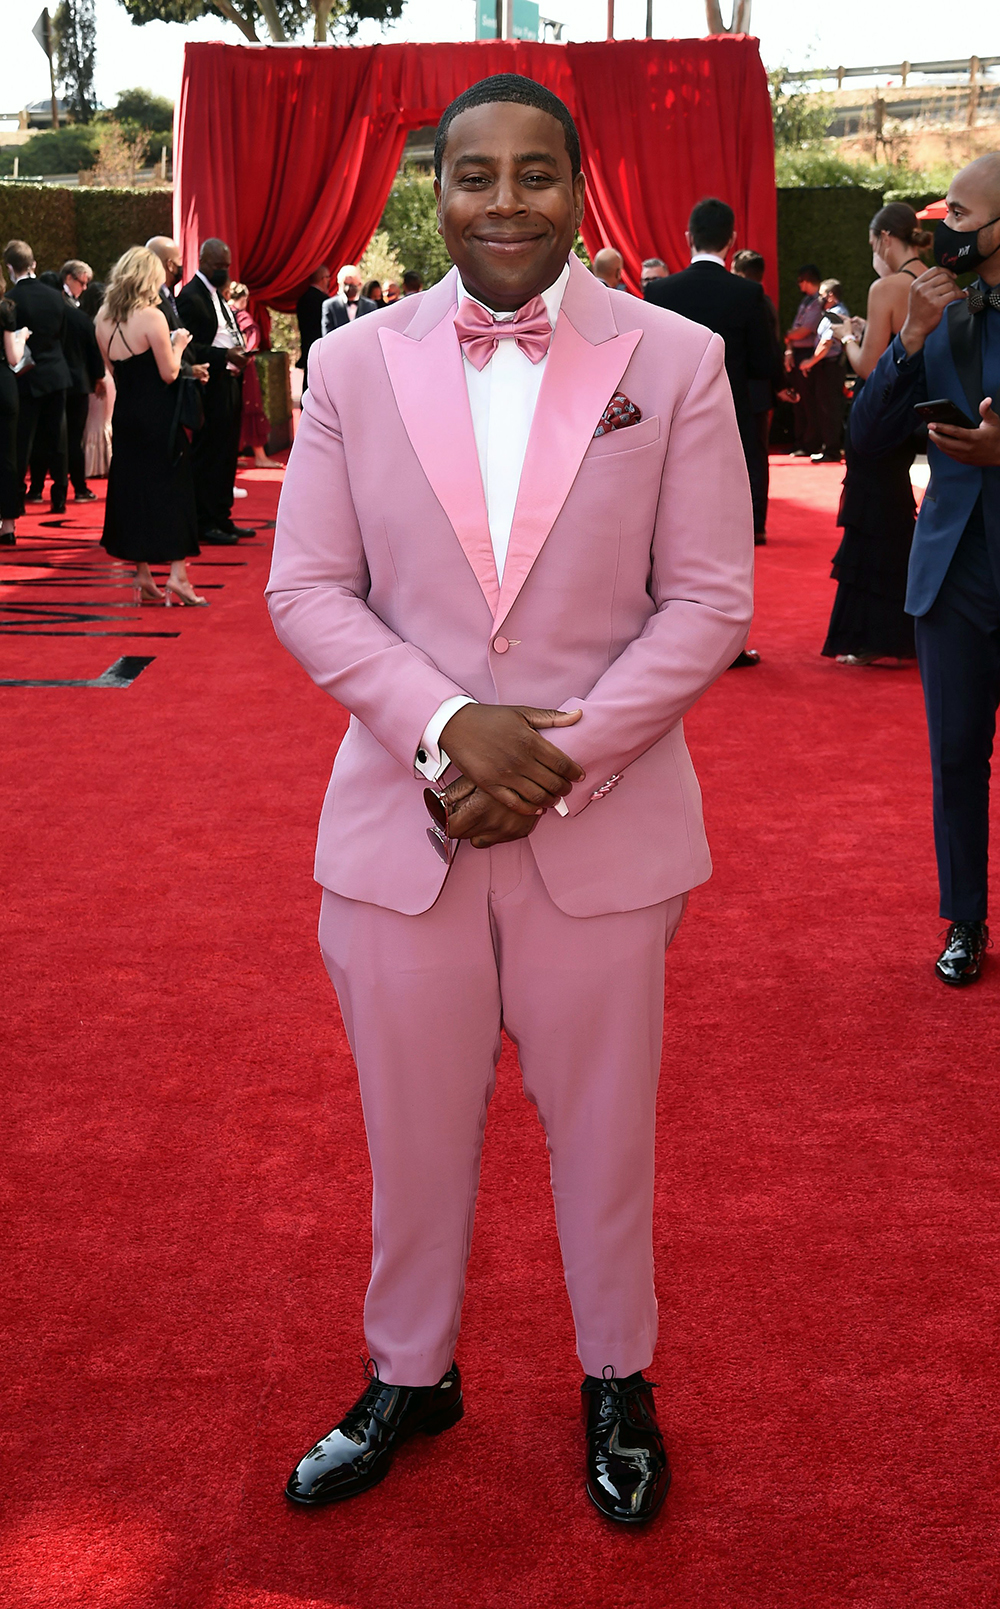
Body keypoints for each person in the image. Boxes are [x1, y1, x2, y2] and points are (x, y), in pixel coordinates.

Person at [268, 72, 753, 1524]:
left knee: (606, 1130)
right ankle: (410, 1372)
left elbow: (710, 598)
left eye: (534, 174)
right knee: (410, 1127)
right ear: (437, 189)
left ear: (578, 186)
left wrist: (552, 762)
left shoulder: (672, 360)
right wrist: (446, 730)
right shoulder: (354, 362)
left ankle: (618, 1377)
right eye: (473, 174)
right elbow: (307, 588)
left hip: (601, 831)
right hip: (398, 829)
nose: (502, 202)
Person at [850, 154, 1000, 988]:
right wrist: (909, 339)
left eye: (964, 218)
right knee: (955, 756)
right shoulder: (932, 309)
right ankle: (965, 919)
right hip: (951, 570)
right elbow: (867, 440)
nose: (944, 233)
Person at [646, 196, 777, 603]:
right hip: (731, 418)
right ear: (732, 241)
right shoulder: (749, 295)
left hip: (669, 420)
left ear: (688, 238)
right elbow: (765, 363)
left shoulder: (659, 291)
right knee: (724, 533)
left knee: (670, 526)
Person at [821, 203, 930, 668]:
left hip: (879, 416)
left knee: (870, 514)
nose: (874, 254)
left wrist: (847, 336)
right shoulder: (936, 281)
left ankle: (869, 633)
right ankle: (902, 626)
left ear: (886, 238)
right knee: (894, 511)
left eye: (872, 246)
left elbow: (869, 366)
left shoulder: (887, 285)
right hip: (911, 416)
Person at [95, 246, 203, 607]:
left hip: (125, 415)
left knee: (133, 491)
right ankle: (178, 574)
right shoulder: (153, 317)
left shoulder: (102, 318)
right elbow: (169, 373)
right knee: (173, 488)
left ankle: (142, 573)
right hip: (159, 418)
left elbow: (113, 370)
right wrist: (179, 342)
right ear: (148, 277)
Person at [176, 238, 254, 546]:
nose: (224, 271)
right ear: (203, 262)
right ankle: (204, 521)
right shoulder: (190, 296)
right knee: (210, 455)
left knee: (226, 454)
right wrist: (224, 357)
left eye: (227, 266)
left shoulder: (217, 296)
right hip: (210, 384)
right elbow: (186, 345)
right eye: (219, 266)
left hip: (230, 382)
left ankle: (222, 516)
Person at [3, 239, 71, 514]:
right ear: (33, 264)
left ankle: (17, 499)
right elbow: (63, 335)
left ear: (9, 267)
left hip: (26, 377)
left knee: (22, 441)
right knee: (59, 438)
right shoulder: (57, 296)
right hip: (56, 374)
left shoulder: (11, 301)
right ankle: (60, 497)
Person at [731, 248, 785, 542]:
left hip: (748, 389)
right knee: (756, 458)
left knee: (747, 458)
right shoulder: (765, 302)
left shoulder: (751, 300)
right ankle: (756, 523)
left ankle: (752, 522)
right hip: (760, 392)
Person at [55, 259, 105, 503]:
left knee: (53, 436)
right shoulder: (77, 316)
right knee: (74, 438)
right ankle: (78, 487)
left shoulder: (54, 309)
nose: (85, 288)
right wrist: (99, 376)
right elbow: (92, 350)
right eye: (82, 283)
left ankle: (42, 490)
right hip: (77, 382)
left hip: (53, 381)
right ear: (68, 279)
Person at [229, 282, 282, 468]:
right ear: (244, 299)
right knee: (252, 406)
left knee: (234, 409)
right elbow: (253, 335)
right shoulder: (242, 315)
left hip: (227, 367)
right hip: (244, 366)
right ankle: (260, 456)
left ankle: (233, 456)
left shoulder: (224, 312)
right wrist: (246, 353)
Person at [799, 278, 849, 464]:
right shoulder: (831, 313)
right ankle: (830, 447)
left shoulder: (836, 314)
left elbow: (827, 342)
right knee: (826, 406)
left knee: (830, 408)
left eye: (820, 294)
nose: (817, 298)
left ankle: (833, 449)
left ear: (830, 295)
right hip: (828, 366)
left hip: (831, 366)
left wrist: (810, 362)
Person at [0, 264, 28, 545]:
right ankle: (7, 526)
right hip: (3, 386)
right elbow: (13, 357)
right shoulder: (5, 308)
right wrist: (21, 338)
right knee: (7, 456)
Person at [784, 264, 823, 456]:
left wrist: (788, 336)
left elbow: (804, 330)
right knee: (798, 402)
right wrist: (789, 348)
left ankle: (810, 443)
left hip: (808, 354)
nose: (799, 285)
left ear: (806, 280)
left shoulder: (817, 303)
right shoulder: (807, 301)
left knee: (808, 402)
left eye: (800, 281)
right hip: (798, 354)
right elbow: (794, 332)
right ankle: (799, 441)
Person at [80, 280, 114, 478]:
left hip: (93, 376)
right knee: (104, 423)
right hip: (106, 375)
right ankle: (106, 463)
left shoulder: (85, 322)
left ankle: (92, 466)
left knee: (92, 423)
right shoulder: (108, 321)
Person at [295, 264, 329, 392]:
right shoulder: (325, 302)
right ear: (323, 279)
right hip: (321, 348)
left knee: (307, 384)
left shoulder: (302, 299)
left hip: (307, 346)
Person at [321, 265, 377, 336]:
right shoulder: (330, 305)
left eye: (352, 285)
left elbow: (372, 332)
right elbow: (327, 335)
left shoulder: (370, 306)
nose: (348, 288)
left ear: (359, 284)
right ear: (340, 284)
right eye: (345, 284)